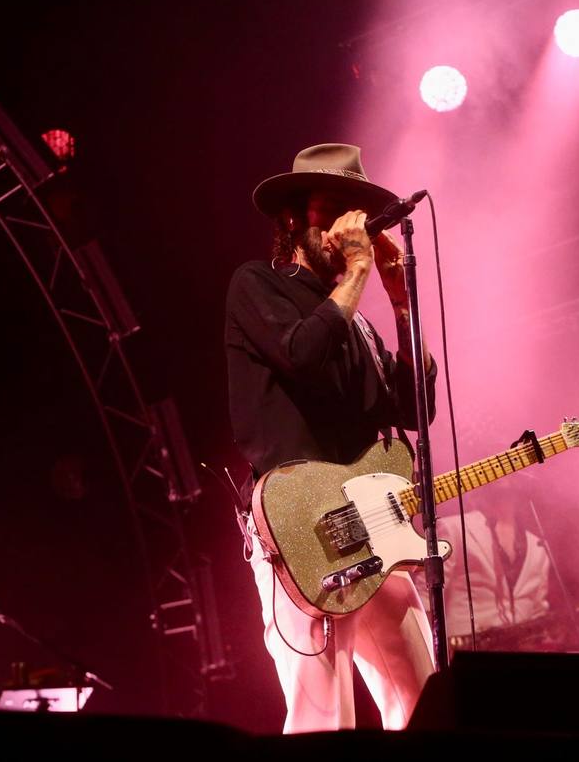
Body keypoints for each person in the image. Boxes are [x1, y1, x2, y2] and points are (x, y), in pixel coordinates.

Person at [225, 143, 438, 732]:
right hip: (300, 529)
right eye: (331, 208)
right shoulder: (256, 285)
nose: (347, 225)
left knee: (423, 700)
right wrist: (360, 275)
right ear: (293, 218)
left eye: (355, 210)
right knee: (323, 716)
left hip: (371, 529)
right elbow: (301, 355)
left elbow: (414, 413)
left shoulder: (360, 323)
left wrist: (399, 304)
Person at [441, 486, 552, 649]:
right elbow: (427, 600)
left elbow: (538, 610)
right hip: (463, 653)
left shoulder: (539, 545)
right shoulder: (452, 528)